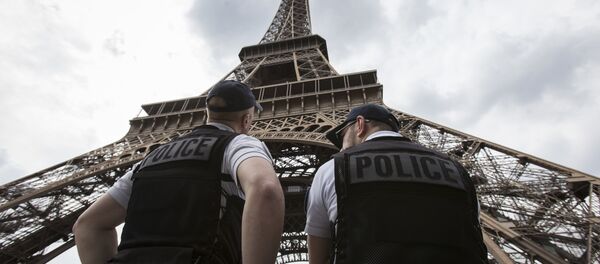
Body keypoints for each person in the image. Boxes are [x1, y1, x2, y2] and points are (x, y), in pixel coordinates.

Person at [73, 80, 285, 264]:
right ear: (247, 119)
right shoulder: (238, 144)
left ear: (207, 113)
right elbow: (265, 189)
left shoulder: (151, 158)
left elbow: (88, 225)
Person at [305, 104, 488, 264]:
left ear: (359, 125)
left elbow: (318, 258)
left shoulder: (333, 168)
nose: (341, 147)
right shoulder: (457, 171)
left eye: (342, 136)